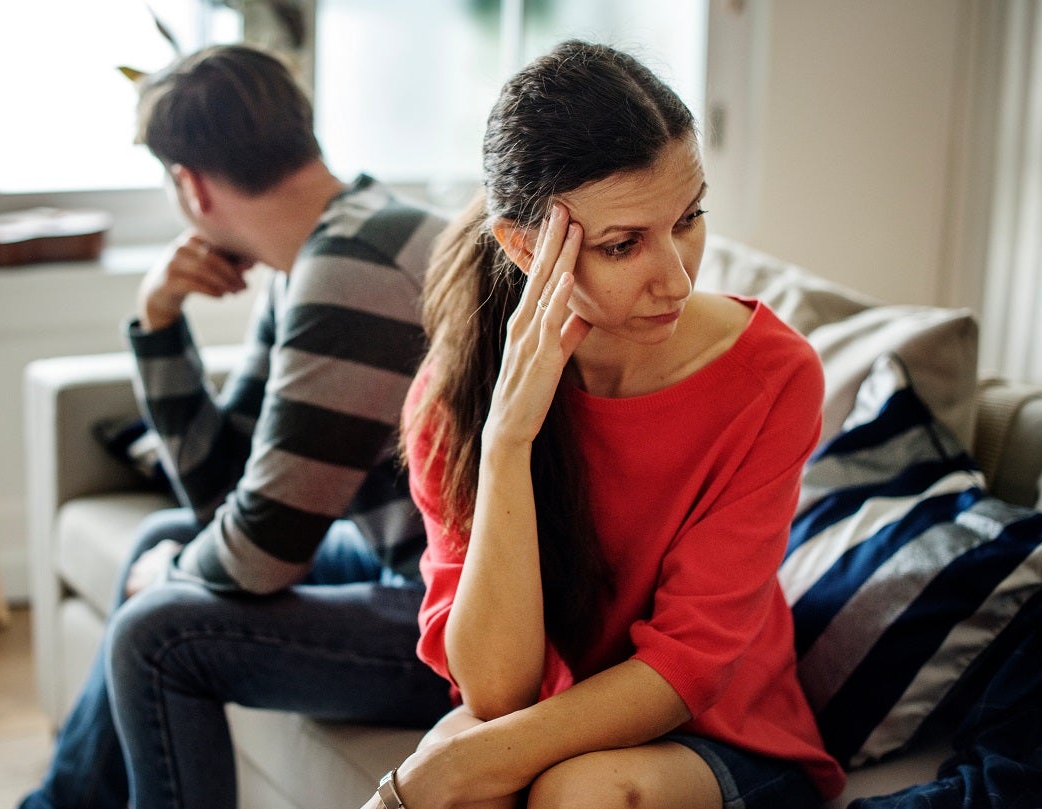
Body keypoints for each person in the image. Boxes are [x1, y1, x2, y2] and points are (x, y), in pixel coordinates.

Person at [361, 40, 847, 809]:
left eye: (689, 219)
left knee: (569, 789)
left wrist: (455, 766)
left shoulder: (774, 377)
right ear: (525, 248)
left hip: (726, 732)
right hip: (556, 707)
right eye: (625, 245)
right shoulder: (455, 391)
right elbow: (495, 688)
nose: (679, 278)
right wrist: (507, 441)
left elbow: (687, 670)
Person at [19, 44, 453, 809]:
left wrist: (181, 574)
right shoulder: (342, 234)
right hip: (424, 572)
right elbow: (225, 489)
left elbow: (260, 556)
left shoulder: (350, 268)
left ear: (189, 183)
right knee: (160, 539)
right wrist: (157, 323)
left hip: (475, 629)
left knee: (157, 633)